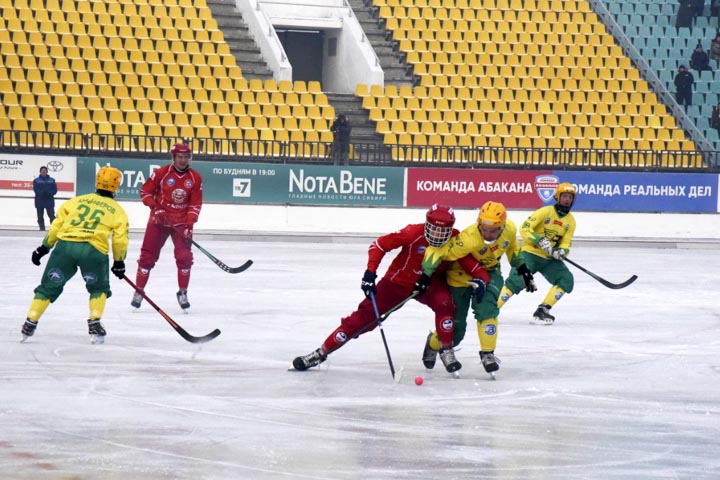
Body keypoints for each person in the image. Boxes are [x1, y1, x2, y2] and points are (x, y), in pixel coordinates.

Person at [293, 204, 464, 374]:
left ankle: (446, 350)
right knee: (362, 320)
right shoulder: (412, 233)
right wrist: (370, 272)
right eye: (433, 229)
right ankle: (321, 352)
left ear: (450, 230)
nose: (437, 236)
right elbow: (379, 245)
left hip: (430, 284)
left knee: (445, 304)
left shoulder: (457, 239)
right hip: (397, 284)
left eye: (442, 232)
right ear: (427, 224)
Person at [419, 201, 537, 375]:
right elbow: (438, 251)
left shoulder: (510, 229)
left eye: (493, 230)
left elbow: (512, 247)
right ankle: (433, 343)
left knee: (487, 309)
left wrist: (523, 269)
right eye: (484, 229)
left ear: (502, 226)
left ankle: (488, 353)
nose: (488, 234)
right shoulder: (468, 238)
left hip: (490, 273)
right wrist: (425, 275)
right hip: (460, 278)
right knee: (456, 331)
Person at [21, 166, 129, 344]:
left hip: (65, 247)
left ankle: (30, 320)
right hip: (93, 251)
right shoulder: (118, 211)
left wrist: (44, 248)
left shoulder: (75, 201)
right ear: (116, 186)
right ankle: (94, 320)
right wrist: (119, 262)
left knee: (48, 287)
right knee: (99, 289)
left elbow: (57, 225)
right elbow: (120, 239)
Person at [131, 143, 203, 311]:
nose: (183, 160)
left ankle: (183, 292)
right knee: (147, 258)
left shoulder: (195, 178)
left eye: (186, 157)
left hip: (181, 223)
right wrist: (156, 208)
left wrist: (190, 224)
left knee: (184, 257)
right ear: (173, 157)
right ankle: (139, 290)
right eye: (180, 157)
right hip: (159, 221)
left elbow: (195, 204)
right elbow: (145, 192)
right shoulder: (161, 173)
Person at [497, 183, 577, 325]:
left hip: (549, 259)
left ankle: (543, 310)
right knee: (517, 281)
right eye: (564, 196)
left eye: (570, 197)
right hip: (530, 253)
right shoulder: (545, 212)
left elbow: (566, 242)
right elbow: (525, 228)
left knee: (566, 280)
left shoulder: (570, 221)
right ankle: (493, 309)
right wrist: (540, 240)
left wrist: (562, 252)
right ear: (558, 197)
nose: (567, 200)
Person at [33, 165, 57, 231]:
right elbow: (36, 190)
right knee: (40, 216)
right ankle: (42, 228)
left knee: (52, 215)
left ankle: (53, 228)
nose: (43, 172)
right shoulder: (36, 180)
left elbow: (55, 190)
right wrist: (42, 193)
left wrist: (49, 193)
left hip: (49, 201)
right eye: (42, 171)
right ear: (40, 172)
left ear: (47, 172)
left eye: (45, 171)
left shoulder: (52, 180)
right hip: (39, 201)